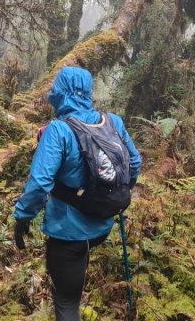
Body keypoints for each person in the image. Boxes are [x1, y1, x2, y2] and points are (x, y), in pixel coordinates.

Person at [13, 66, 141, 321]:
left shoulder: (58, 131)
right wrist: (111, 195)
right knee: (77, 264)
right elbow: (134, 163)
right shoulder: (113, 122)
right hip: (103, 225)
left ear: (59, 93)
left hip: (68, 235)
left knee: (67, 302)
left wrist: (22, 218)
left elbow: (39, 184)